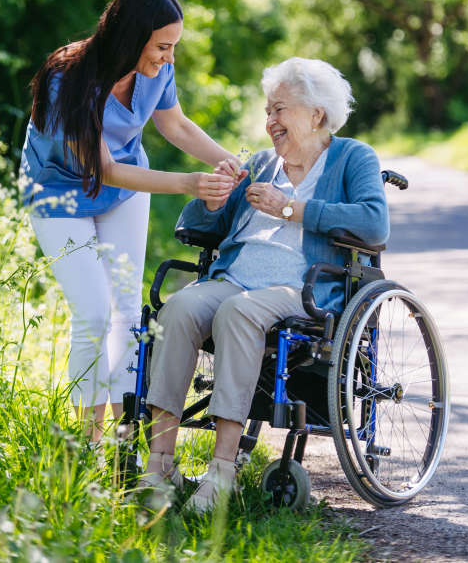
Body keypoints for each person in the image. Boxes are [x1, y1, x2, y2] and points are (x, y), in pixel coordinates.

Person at [139, 57, 389, 511]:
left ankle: (223, 471)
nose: (269, 121)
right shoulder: (260, 163)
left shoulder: (353, 157)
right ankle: (160, 466)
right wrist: (214, 195)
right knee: (176, 309)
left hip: (301, 289)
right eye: (268, 110)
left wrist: (291, 209)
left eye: (280, 110)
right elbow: (197, 228)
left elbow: (374, 225)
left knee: (238, 311)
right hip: (234, 278)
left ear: (316, 114)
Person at [20, 0, 237, 442]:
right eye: (163, 46)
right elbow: (103, 169)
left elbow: (175, 125)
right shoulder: (68, 77)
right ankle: (83, 447)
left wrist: (231, 163)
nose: (169, 57)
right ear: (131, 37)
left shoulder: (156, 72)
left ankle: (124, 444)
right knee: (95, 315)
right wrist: (189, 184)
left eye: (174, 46)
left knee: (124, 316)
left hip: (123, 191)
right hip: (60, 193)